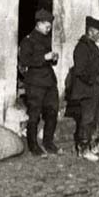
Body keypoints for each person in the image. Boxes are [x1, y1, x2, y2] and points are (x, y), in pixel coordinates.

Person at [18, 9, 61, 156]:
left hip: (49, 82)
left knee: (52, 112)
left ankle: (48, 143)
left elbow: (47, 61)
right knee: (34, 115)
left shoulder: (45, 39)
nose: (49, 29)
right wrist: (44, 58)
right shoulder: (27, 41)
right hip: (35, 83)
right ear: (39, 24)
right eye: (47, 26)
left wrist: (53, 58)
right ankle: (33, 145)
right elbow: (24, 61)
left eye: (50, 27)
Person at [68, 16, 99, 162]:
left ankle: (95, 145)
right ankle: (83, 149)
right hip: (86, 90)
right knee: (87, 119)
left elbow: (96, 66)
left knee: (98, 118)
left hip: (95, 89)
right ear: (90, 31)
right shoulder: (81, 47)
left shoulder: (92, 46)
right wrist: (95, 78)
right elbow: (81, 71)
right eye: (98, 33)